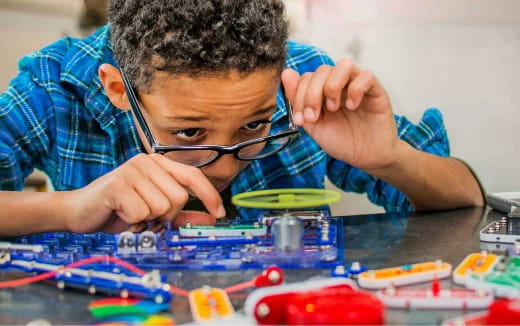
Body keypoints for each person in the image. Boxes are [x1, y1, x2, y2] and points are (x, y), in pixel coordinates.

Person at [0, 0, 483, 237]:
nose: (226, 166)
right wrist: (68, 208)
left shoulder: (306, 82)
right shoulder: (57, 86)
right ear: (117, 89)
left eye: (255, 124)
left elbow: (467, 196)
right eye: (189, 132)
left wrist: (391, 158)